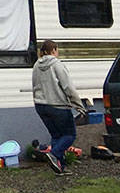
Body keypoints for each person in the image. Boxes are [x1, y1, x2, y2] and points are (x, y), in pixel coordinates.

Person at [32, 39, 84, 174]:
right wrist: (79, 105)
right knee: (69, 135)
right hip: (58, 106)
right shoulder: (57, 65)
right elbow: (68, 87)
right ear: (54, 50)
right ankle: (54, 154)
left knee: (56, 136)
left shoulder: (36, 65)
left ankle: (59, 167)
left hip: (40, 106)